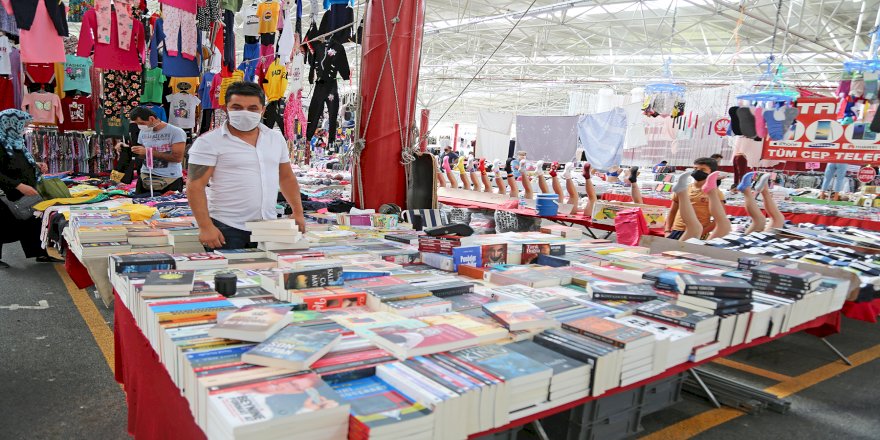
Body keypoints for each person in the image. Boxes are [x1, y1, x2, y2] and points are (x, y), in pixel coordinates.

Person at [187, 82, 307, 250]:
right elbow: (195, 185)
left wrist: (298, 212)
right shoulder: (208, 142)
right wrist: (205, 226)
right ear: (226, 108)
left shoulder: (275, 138)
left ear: (262, 110)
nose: (245, 113)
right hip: (226, 228)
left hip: (269, 226)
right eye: (237, 108)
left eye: (252, 108)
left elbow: (286, 177)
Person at [0, 109, 63, 267]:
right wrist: (18, 186)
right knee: (4, 224)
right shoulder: (1, 144)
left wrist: (36, 165)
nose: (23, 128)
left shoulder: (16, 142)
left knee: (32, 221)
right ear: (11, 124)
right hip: (7, 194)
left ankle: (39, 253)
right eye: (22, 124)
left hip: (24, 194)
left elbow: (19, 163)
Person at [116, 107, 186, 195]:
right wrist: (127, 149)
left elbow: (177, 158)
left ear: (152, 119)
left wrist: (149, 152)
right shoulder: (143, 132)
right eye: (137, 124)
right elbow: (142, 154)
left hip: (170, 179)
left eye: (141, 123)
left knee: (167, 203)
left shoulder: (176, 132)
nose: (139, 126)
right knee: (139, 203)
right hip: (145, 177)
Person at [665, 157, 726, 241]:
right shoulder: (683, 189)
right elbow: (672, 211)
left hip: (699, 232)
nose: (697, 171)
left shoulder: (715, 193)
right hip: (677, 230)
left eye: (703, 169)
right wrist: (667, 230)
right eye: (695, 168)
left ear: (711, 173)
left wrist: (701, 232)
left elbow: (718, 219)